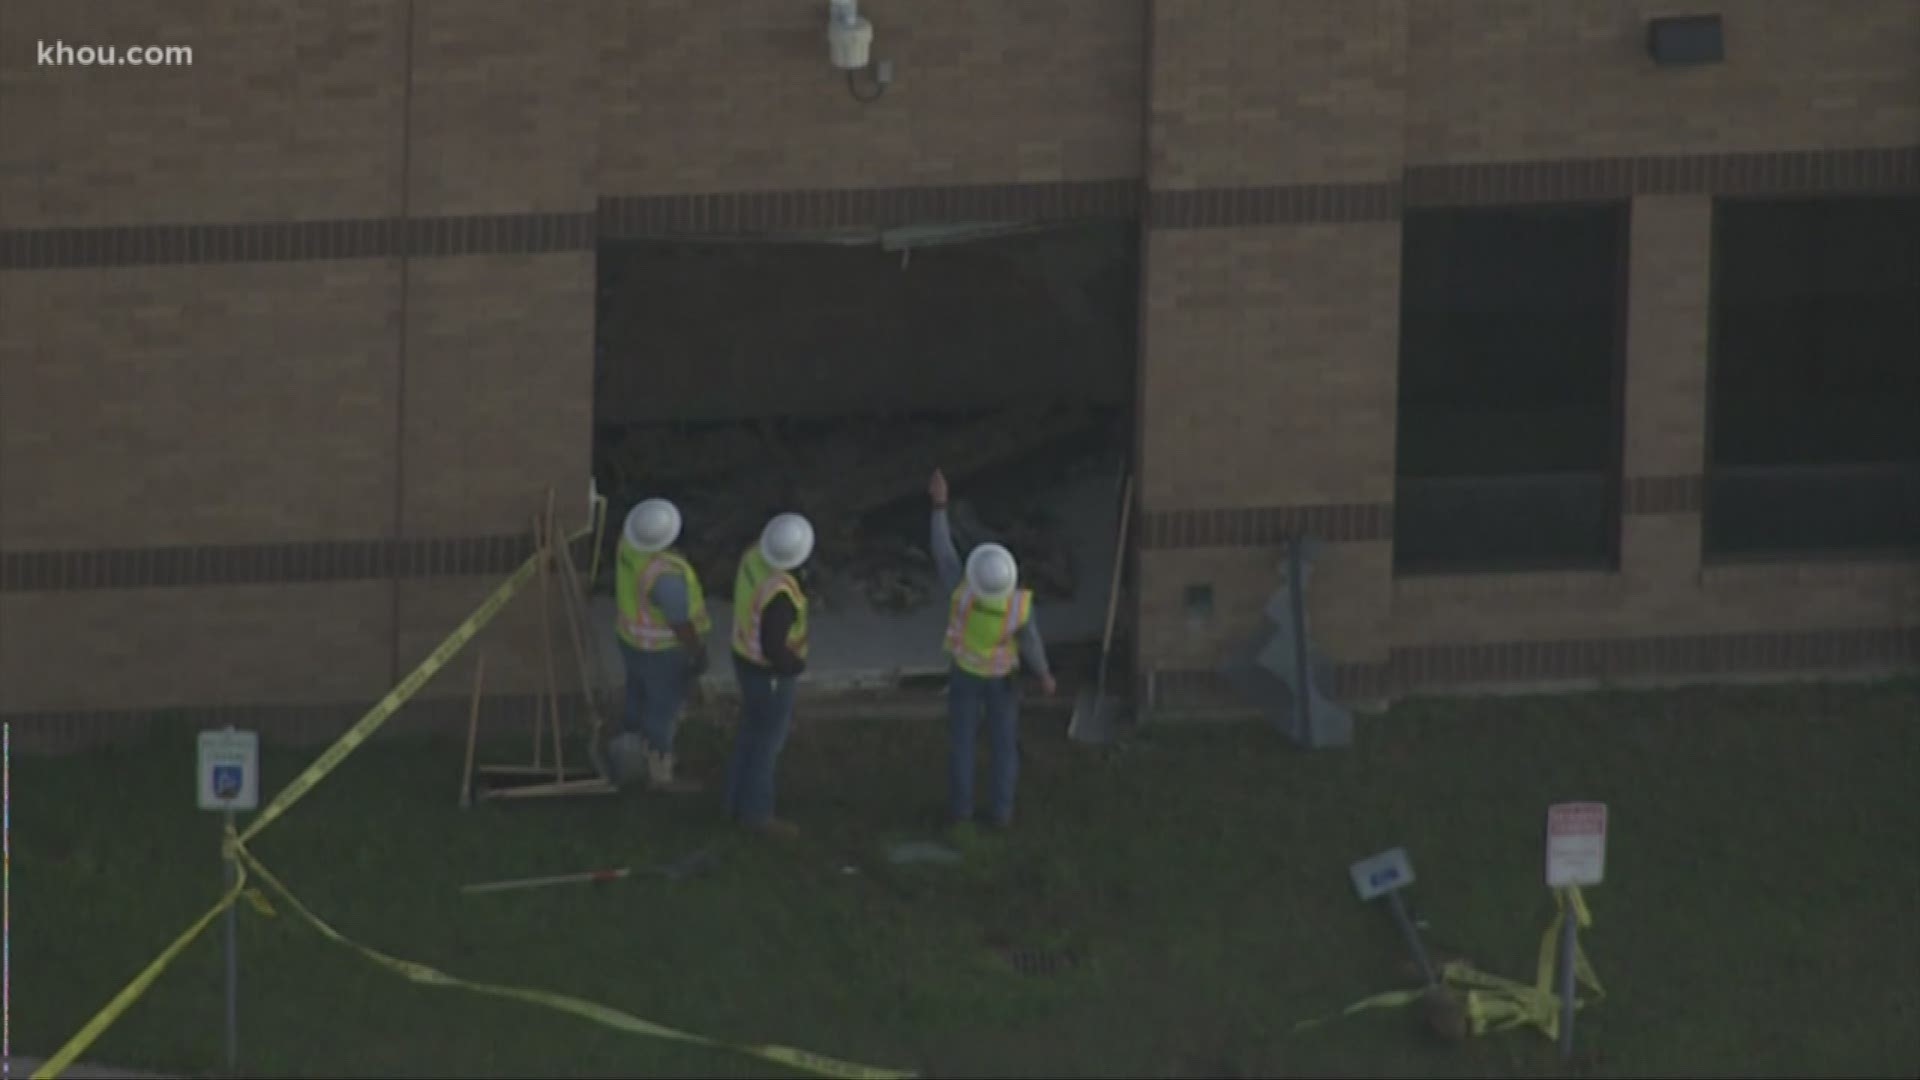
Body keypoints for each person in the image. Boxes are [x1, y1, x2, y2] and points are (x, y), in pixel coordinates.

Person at [927, 468, 1055, 831]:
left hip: (965, 674)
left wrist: (939, 505)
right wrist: (1044, 674)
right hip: (1003, 681)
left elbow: (941, 550)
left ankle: (960, 811)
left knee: (962, 745)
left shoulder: (961, 589)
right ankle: (1001, 813)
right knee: (1003, 747)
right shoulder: (1018, 605)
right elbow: (1030, 642)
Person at [600, 498, 710, 793]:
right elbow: (679, 622)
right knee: (662, 710)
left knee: (636, 698)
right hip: (662, 652)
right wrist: (697, 652)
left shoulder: (628, 546)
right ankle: (660, 773)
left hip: (631, 640)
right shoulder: (666, 576)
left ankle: (629, 756)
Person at [723, 511, 815, 837]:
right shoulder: (782, 594)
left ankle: (734, 799)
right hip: (769, 672)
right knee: (767, 743)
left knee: (750, 732)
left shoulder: (753, 556)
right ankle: (757, 813)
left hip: (743, 657)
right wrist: (795, 666)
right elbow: (774, 645)